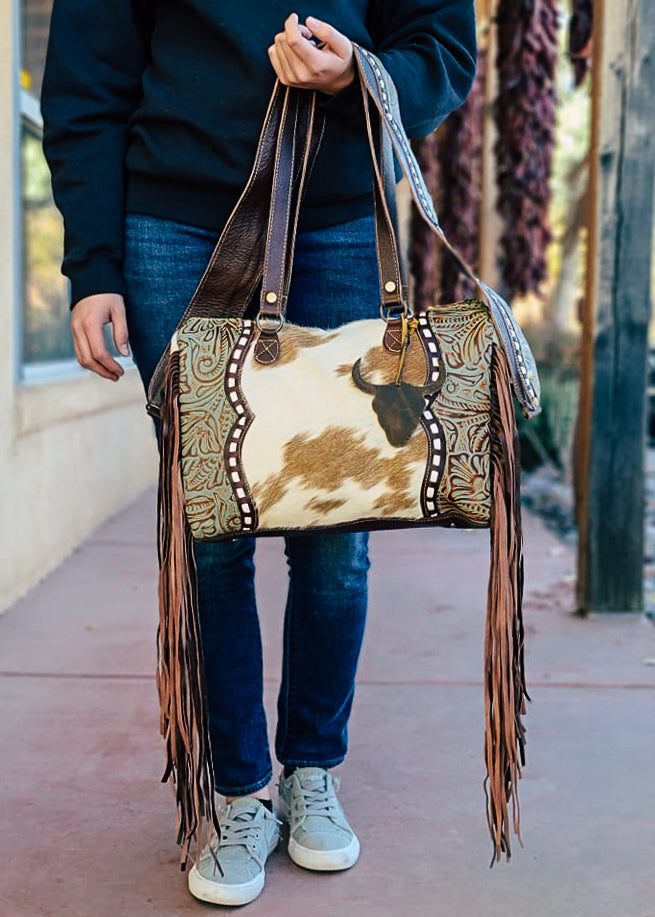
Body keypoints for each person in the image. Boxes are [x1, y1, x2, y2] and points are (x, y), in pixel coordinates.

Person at [42, 0, 476, 907]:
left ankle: (312, 769)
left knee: (334, 534)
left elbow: (441, 47)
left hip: (333, 224)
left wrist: (356, 69)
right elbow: (87, 83)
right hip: (172, 225)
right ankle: (239, 791)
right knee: (211, 528)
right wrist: (94, 266)